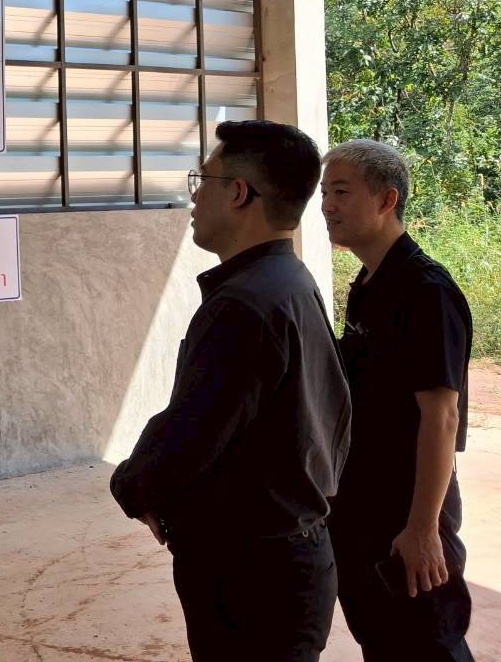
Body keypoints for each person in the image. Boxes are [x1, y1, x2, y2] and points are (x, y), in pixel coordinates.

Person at [109, 120, 352, 662]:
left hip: (253, 580)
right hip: (289, 559)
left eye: (204, 179)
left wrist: (133, 486)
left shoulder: (244, 305)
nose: (194, 195)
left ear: (238, 192)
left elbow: (191, 433)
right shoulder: (289, 281)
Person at [321, 140, 475, 661]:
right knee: (382, 638)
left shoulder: (425, 290)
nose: (327, 206)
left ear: (387, 200)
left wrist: (423, 528)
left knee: (427, 641)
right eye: (325, 193)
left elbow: (442, 416)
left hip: (408, 508)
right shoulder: (369, 283)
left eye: (341, 192)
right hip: (365, 499)